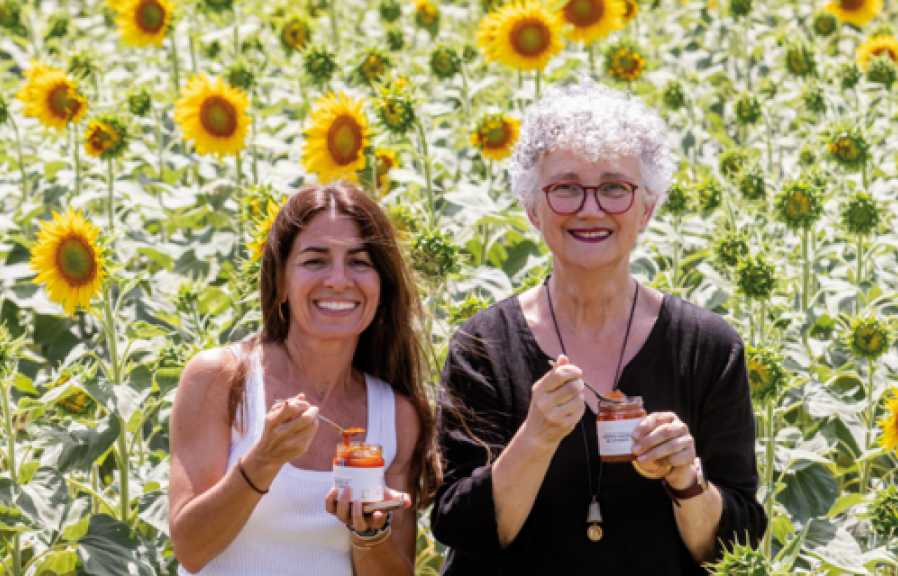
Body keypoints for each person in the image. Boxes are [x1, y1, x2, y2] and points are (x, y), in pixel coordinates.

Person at [431, 79, 767, 575]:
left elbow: (731, 548)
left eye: (615, 187)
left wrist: (684, 478)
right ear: (533, 210)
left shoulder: (708, 348)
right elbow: (461, 528)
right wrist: (537, 437)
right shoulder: (482, 346)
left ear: (647, 209)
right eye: (565, 188)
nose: (591, 208)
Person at [169, 182, 439, 575]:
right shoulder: (221, 379)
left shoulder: (396, 415)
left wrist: (367, 533)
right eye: (316, 260)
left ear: (382, 288)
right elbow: (191, 549)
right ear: (280, 283)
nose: (339, 280)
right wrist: (262, 461)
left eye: (360, 262)